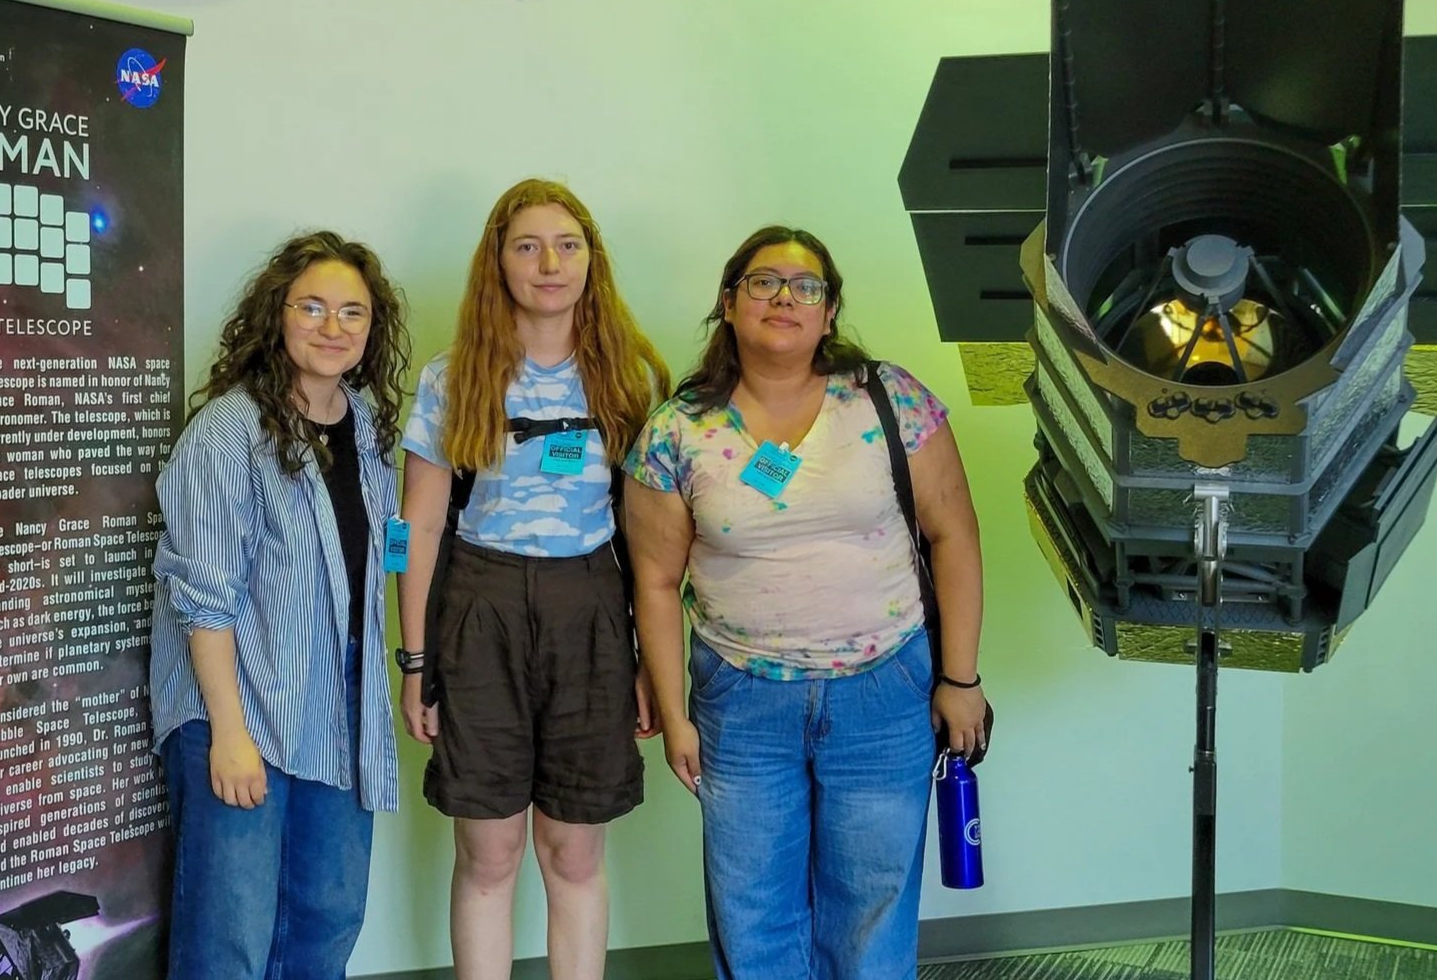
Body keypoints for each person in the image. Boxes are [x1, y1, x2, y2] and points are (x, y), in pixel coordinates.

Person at [623, 225, 991, 980]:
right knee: (753, 909)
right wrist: (677, 715)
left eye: (806, 286)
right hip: (741, 700)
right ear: (729, 304)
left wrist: (961, 678)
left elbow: (954, 535)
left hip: (885, 692)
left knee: (872, 904)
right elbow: (654, 582)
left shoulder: (889, 400)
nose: (784, 298)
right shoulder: (677, 430)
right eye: (763, 282)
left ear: (829, 313)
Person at [395, 179, 668, 980]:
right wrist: (414, 662)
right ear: (499, 262)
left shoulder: (630, 377)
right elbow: (413, 532)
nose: (550, 263)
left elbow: (651, 542)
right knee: (489, 852)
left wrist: (651, 664)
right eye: (528, 246)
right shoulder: (452, 378)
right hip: (479, 610)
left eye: (567, 245)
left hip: (591, 609)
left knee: (574, 852)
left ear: (591, 260)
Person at [150, 230, 411, 980]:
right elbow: (204, 598)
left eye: (353, 312)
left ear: (372, 328)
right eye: (312, 307)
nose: (333, 327)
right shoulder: (226, 432)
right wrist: (230, 736)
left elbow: (384, 553)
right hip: (240, 705)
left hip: (338, 702)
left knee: (328, 914)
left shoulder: (365, 425)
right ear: (277, 315)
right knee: (228, 931)